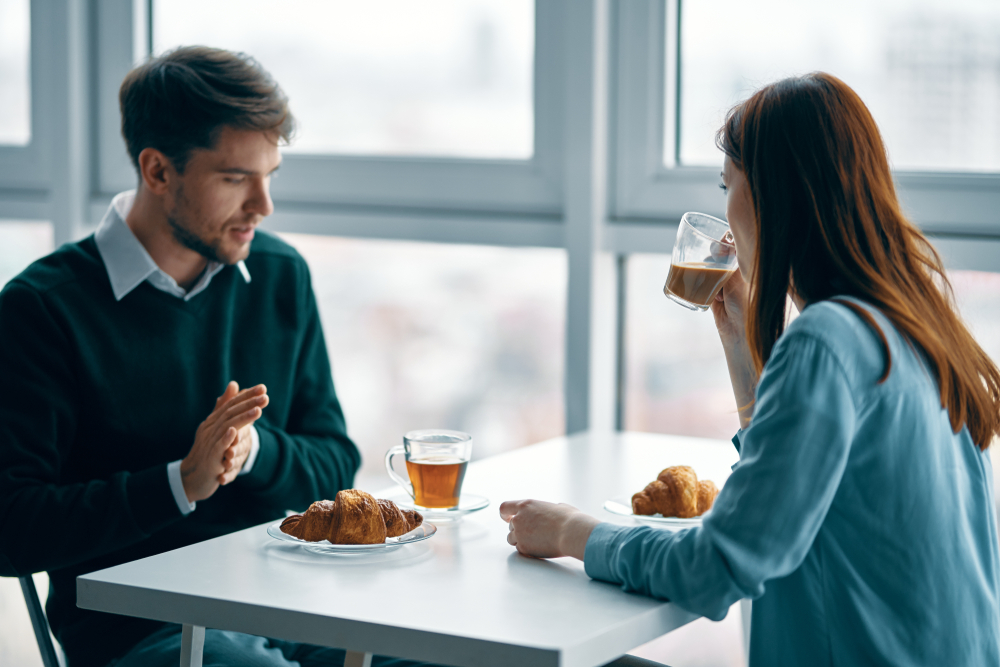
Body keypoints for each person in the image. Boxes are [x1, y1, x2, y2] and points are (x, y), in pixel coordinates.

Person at [501, 72, 1000, 666]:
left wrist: (570, 533)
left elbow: (715, 568)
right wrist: (743, 348)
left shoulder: (827, 339)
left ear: (771, 196)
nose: (726, 207)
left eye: (727, 184)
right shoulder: (918, 328)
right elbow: (801, 499)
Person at [0, 46, 421, 667]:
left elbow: (334, 462)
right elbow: (12, 529)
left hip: (297, 602)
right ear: (158, 170)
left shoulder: (279, 274)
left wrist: (252, 452)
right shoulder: (43, 309)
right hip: (142, 630)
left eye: (269, 175)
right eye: (234, 179)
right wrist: (179, 484)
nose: (263, 205)